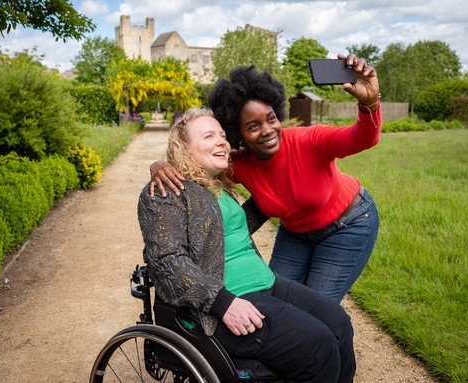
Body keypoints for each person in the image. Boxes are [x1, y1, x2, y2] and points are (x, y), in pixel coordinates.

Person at [138, 107, 356, 383]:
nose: (222, 141)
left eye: (222, 135)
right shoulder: (166, 191)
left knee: (339, 325)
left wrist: (285, 186)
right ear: (184, 149)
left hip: (266, 282)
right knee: (318, 346)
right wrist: (223, 303)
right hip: (226, 297)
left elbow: (225, 229)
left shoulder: (218, 186)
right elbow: (166, 260)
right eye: (208, 136)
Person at [149, 54, 382, 304]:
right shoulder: (236, 164)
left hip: (347, 225)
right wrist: (160, 164)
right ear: (238, 135)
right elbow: (195, 162)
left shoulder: (309, 141)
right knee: (276, 302)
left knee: (317, 307)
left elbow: (364, 138)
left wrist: (369, 103)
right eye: (253, 126)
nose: (267, 130)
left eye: (271, 119)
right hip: (295, 232)